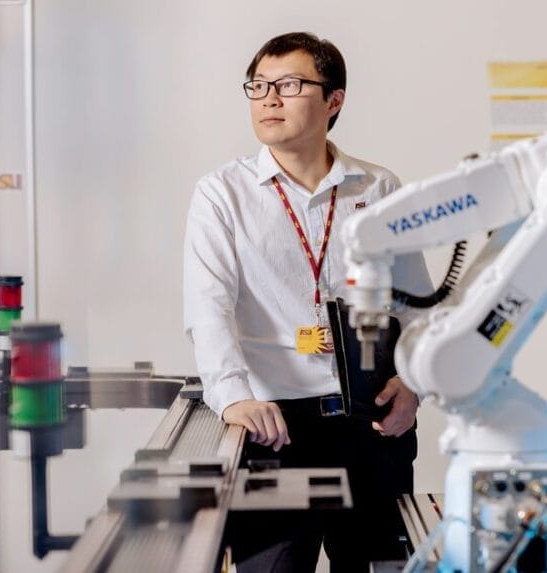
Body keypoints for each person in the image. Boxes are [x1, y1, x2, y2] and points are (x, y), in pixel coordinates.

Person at [182, 32, 433, 572]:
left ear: (333, 100)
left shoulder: (379, 187)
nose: (269, 98)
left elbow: (416, 306)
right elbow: (208, 308)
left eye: (289, 84)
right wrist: (232, 398)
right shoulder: (222, 194)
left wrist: (414, 383)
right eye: (258, 85)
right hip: (275, 429)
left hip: (373, 425)